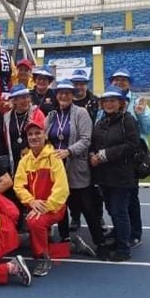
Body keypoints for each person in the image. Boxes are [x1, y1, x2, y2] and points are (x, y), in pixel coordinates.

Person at [45, 80, 104, 258]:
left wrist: (68, 151)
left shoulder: (81, 113)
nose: (63, 96)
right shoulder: (52, 115)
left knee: (87, 206)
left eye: (67, 93)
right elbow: (45, 139)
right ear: (56, 95)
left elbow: (86, 140)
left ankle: (99, 241)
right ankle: (64, 240)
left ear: (72, 95)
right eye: (60, 93)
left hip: (76, 166)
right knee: (60, 205)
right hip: (56, 168)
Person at [13, 119, 72, 276]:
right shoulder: (25, 160)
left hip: (53, 207)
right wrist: (31, 202)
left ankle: (42, 258)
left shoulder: (54, 157)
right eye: (30, 134)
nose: (34, 137)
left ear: (45, 135)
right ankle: (70, 247)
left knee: (34, 222)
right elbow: (18, 186)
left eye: (37, 133)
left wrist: (45, 206)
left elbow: (62, 189)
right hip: (34, 207)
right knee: (30, 232)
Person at [90, 86, 140, 262]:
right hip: (104, 176)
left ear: (121, 103)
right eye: (106, 101)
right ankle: (120, 239)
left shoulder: (128, 120)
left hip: (122, 175)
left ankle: (123, 248)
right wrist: (92, 155)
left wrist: (105, 155)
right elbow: (93, 143)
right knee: (111, 209)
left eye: (113, 100)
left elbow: (133, 145)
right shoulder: (101, 122)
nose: (109, 104)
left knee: (119, 211)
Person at [110, 68, 150, 248]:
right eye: (116, 80)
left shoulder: (138, 102)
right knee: (114, 197)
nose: (120, 82)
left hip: (132, 158)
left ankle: (135, 232)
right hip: (112, 156)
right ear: (111, 82)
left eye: (124, 80)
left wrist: (140, 113)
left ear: (130, 83)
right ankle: (120, 229)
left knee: (130, 197)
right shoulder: (108, 99)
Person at [70, 70, 103, 233]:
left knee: (95, 189)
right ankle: (75, 217)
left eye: (81, 83)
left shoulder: (96, 102)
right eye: (75, 84)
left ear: (86, 84)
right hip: (72, 153)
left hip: (91, 151)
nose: (78, 87)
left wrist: (95, 151)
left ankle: (98, 218)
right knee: (73, 189)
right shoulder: (66, 101)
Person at [3, 84, 44, 175]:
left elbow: (43, 136)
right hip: (15, 160)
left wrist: (31, 150)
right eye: (22, 98)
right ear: (14, 100)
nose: (26, 100)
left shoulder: (37, 113)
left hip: (34, 158)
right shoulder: (7, 117)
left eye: (27, 97)